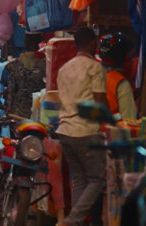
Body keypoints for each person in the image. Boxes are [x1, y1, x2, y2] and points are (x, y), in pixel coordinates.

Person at [57, 27, 109, 226]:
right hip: (84, 131)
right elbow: (99, 103)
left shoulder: (64, 68)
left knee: (79, 179)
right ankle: (74, 220)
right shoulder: (95, 68)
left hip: (65, 131)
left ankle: (75, 222)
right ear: (92, 43)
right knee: (98, 178)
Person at [98, 32, 137, 120]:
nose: (132, 61)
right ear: (122, 58)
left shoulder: (91, 74)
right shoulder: (121, 83)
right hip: (110, 133)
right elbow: (129, 121)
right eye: (130, 57)